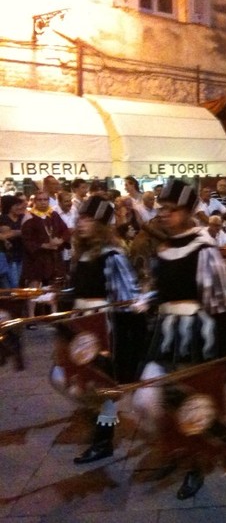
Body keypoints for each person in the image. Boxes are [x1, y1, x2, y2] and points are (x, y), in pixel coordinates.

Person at [133, 178, 226, 500]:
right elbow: (163, 287)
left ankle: (194, 462)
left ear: (189, 212)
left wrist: (225, 352)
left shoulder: (204, 250)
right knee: (146, 400)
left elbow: (219, 301)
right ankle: (173, 448)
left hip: (195, 334)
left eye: (170, 210)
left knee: (191, 403)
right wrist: (149, 298)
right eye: (161, 208)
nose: (163, 214)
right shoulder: (164, 246)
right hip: (164, 332)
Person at [60, 196, 144, 465]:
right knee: (68, 380)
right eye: (81, 217)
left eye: (89, 219)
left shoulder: (112, 254)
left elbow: (127, 298)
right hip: (82, 323)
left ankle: (103, 439)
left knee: (103, 386)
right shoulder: (82, 252)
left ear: (101, 225)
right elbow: (78, 289)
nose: (81, 223)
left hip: (102, 327)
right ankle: (103, 424)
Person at [21, 190, 71, 318]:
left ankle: (53, 314)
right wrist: (44, 245)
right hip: (36, 258)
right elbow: (27, 240)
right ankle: (31, 317)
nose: (43, 202)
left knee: (52, 286)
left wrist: (60, 240)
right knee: (34, 287)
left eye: (45, 200)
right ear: (35, 201)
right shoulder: (29, 217)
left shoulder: (53, 214)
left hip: (53, 257)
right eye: (40, 200)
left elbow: (65, 230)